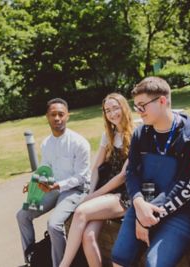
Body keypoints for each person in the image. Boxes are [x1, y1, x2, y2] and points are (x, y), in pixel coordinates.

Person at [111, 77, 190, 267]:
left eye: (142, 106)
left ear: (162, 101)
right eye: (136, 106)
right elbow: (132, 172)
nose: (138, 112)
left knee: (154, 263)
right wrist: (139, 203)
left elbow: (186, 186)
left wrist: (148, 218)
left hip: (184, 211)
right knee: (119, 257)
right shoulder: (141, 134)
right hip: (144, 204)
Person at [60, 93, 134, 267]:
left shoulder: (135, 133)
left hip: (125, 193)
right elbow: (95, 169)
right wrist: (91, 192)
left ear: (124, 107)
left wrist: (93, 197)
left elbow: (123, 176)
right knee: (88, 236)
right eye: (107, 110)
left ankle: (63, 264)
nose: (112, 113)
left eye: (115, 108)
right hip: (105, 192)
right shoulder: (108, 135)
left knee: (80, 212)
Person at [16, 98, 91, 267]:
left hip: (76, 190)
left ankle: (61, 264)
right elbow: (45, 167)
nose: (57, 118)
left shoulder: (80, 143)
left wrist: (58, 185)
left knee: (54, 224)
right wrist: (34, 182)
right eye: (53, 115)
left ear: (67, 116)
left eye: (61, 114)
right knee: (22, 215)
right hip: (54, 189)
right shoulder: (46, 143)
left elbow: (81, 177)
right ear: (47, 117)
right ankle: (32, 259)